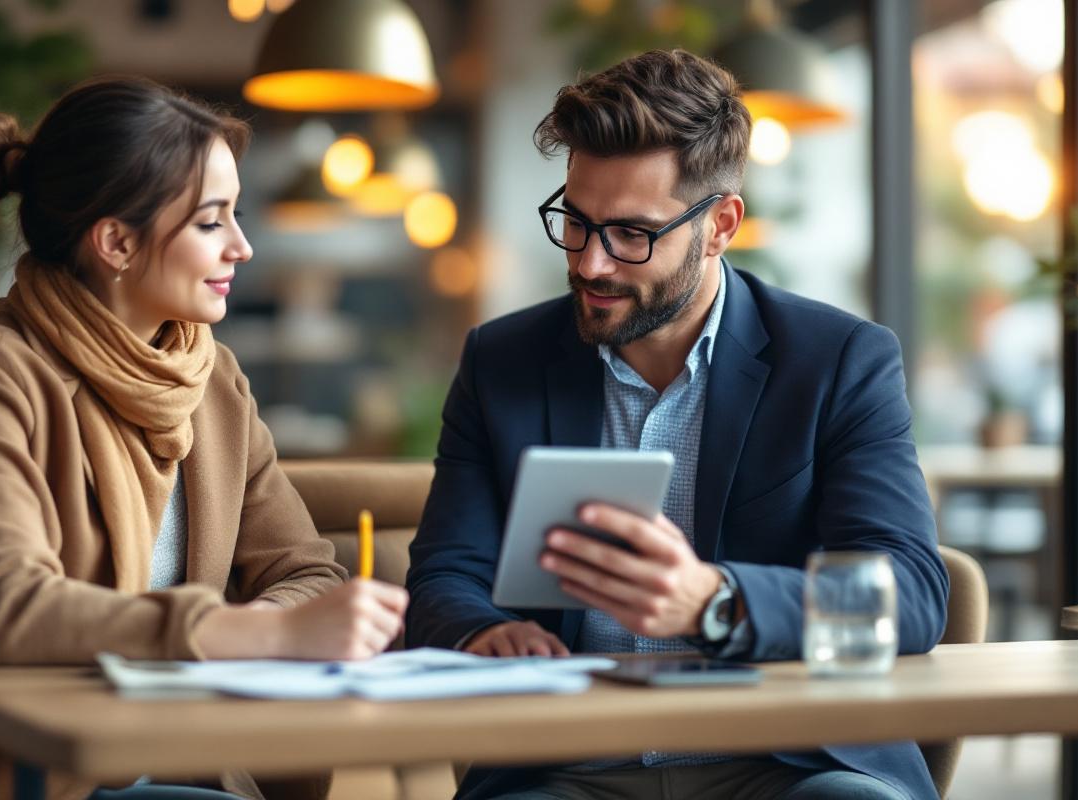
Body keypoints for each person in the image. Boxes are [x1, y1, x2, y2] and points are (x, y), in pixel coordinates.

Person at [0, 76, 408, 800]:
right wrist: (262, 638)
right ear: (115, 241)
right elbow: (15, 612)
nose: (243, 247)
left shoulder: (213, 379)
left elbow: (308, 571)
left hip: (189, 757)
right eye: (212, 222)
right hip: (10, 770)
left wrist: (281, 625)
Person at [405, 49, 948, 800]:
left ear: (721, 224)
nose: (591, 262)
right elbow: (444, 574)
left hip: (785, 762)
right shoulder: (501, 363)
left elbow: (910, 593)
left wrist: (717, 602)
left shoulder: (837, 362)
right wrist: (480, 631)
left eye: (632, 233)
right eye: (576, 220)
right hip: (568, 767)